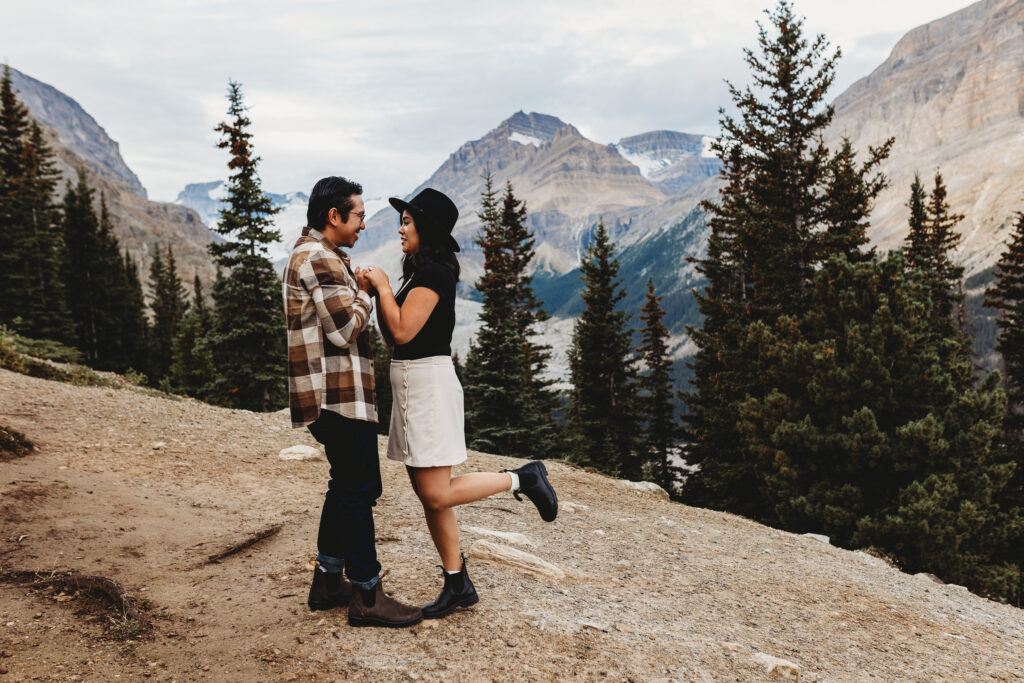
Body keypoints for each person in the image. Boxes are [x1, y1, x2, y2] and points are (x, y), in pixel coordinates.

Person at [363, 187, 558, 620]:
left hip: (426, 384)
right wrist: (381, 292)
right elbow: (393, 329)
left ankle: (521, 480)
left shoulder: (433, 272)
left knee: (436, 492)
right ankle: (458, 583)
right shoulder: (422, 270)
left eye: (408, 221)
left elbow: (402, 333)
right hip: (415, 384)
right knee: (429, 494)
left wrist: (379, 285)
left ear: (425, 227)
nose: (400, 228)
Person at [283, 176, 422, 628]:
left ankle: (327, 581)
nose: (363, 223)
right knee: (360, 490)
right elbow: (343, 331)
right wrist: (368, 291)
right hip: (336, 397)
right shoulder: (318, 259)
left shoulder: (323, 256)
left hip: (337, 396)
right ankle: (367, 594)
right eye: (359, 215)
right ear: (334, 215)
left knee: (346, 483)